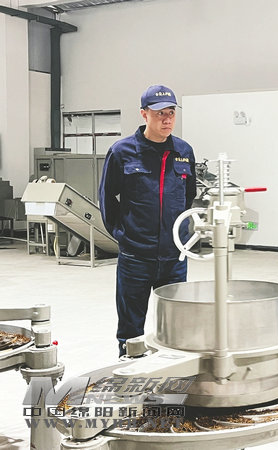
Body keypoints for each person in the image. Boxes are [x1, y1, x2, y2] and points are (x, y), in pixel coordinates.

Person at [99, 84, 196, 357]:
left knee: (176, 325)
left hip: (174, 256)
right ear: (144, 114)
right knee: (131, 328)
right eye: (159, 113)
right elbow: (107, 197)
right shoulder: (122, 152)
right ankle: (129, 367)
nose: (166, 119)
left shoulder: (184, 150)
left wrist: (178, 233)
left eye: (171, 113)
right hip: (136, 257)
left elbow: (188, 196)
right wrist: (122, 234)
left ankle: (173, 369)